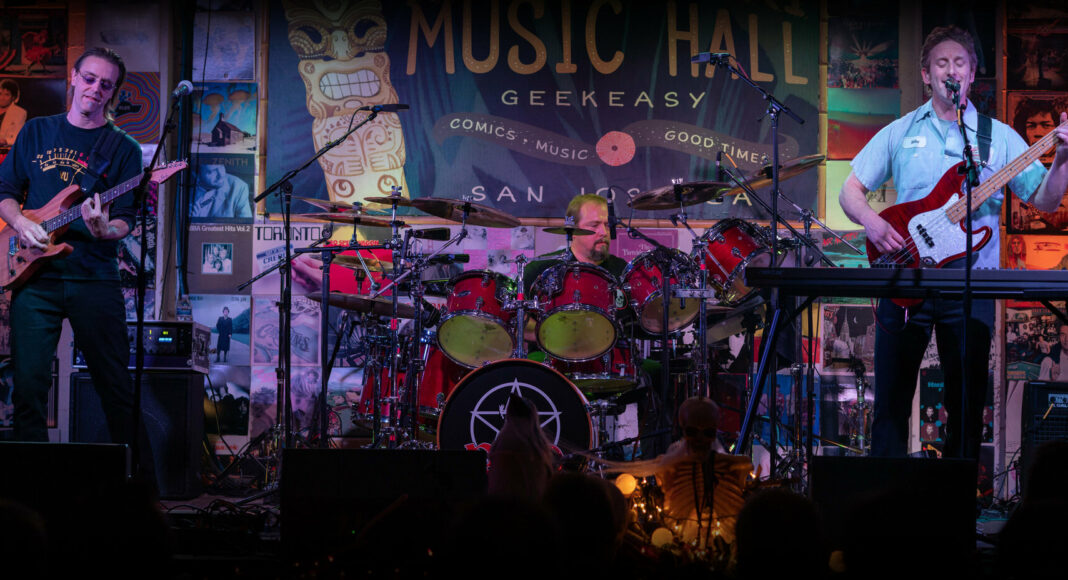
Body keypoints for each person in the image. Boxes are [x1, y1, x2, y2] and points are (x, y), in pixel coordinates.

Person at [839, 26, 1068, 459]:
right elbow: (849, 190)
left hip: (970, 285)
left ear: (972, 73)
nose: (951, 70)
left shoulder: (997, 138)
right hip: (906, 274)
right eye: (941, 63)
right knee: (890, 401)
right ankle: (883, 502)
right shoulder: (901, 130)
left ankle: (955, 510)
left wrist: (1064, 156)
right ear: (926, 75)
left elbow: (1045, 199)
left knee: (964, 407)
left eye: (959, 63)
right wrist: (871, 222)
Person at [0, 48, 154, 481]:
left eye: (105, 84)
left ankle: (138, 488)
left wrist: (105, 230)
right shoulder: (36, 131)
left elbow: (125, 219)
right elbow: (6, 190)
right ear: (73, 77)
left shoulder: (122, 148)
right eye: (89, 78)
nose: (95, 89)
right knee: (29, 389)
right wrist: (18, 222)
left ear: (113, 92)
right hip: (34, 276)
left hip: (93, 277)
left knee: (115, 386)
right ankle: (33, 491)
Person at [0, 78, 27, 148]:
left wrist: (5, 141)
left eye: (6, 95)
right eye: (0, 94)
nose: (2, 98)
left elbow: (19, 138)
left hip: (5, 152)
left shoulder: (20, 113)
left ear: (13, 97)